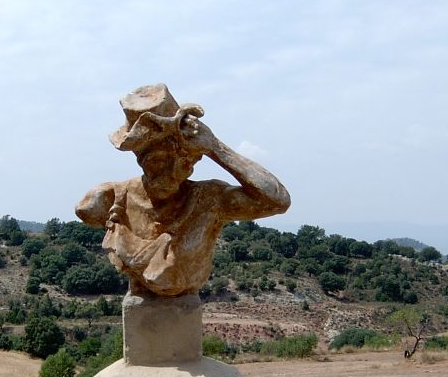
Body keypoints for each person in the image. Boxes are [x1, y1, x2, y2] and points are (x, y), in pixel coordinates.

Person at [76, 84, 290, 297]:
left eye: (184, 161)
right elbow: (85, 209)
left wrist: (216, 148)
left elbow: (277, 200)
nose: (171, 172)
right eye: (158, 160)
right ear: (140, 158)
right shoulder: (113, 199)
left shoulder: (209, 199)